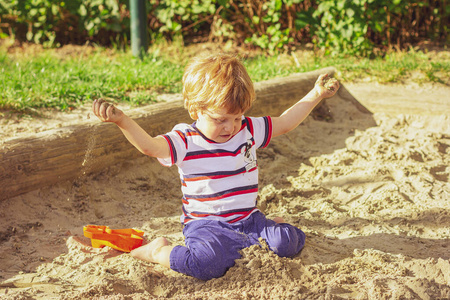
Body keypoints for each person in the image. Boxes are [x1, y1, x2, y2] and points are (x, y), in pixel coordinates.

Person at [92, 53, 339, 281]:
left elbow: (285, 122)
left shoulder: (248, 130)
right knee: (207, 264)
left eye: (237, 118)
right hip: (207, 225)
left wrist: (316, 94)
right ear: (196, 108)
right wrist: (122, 121)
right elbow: (150, 147)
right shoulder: (186, 140)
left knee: (287, 243)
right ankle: (158, 251)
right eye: (220, 120)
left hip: (247, 219)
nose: (230, 127)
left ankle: (268, 226)